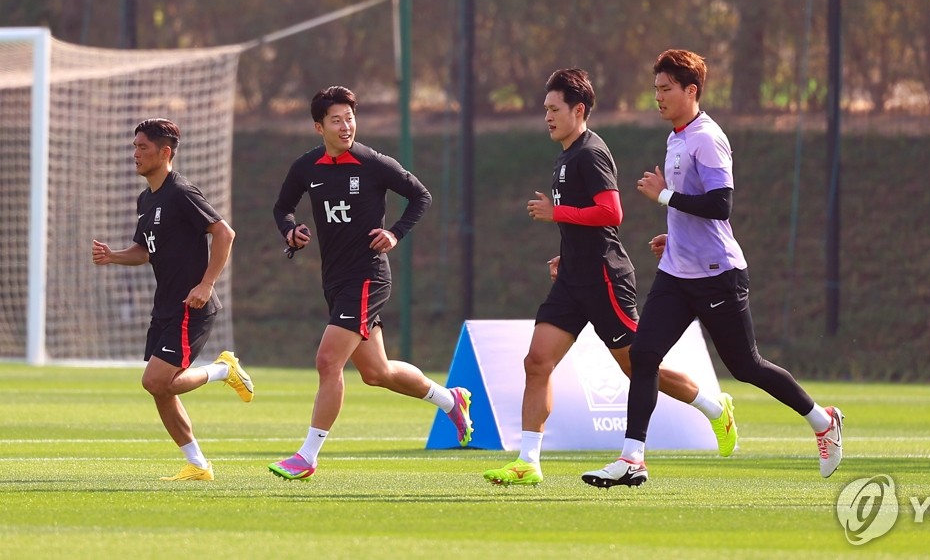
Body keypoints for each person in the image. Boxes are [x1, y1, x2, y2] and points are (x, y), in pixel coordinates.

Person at [582, 50, 844, 488]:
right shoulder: (676, 137)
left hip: (718, 274)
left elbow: (721, 205)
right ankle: (632, 459)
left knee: (746, 366)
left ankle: (822, 419)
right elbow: (694, 206)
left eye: (666, 89)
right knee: (644, 355)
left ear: (692, 91)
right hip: (676, 273)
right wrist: (675, 232)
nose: (658, 97)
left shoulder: (707, 137)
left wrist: (665, 199)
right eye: (656, 89)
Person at [483, 68, 738, 487]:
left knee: (636, 365)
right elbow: (585, 224)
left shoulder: (591, 153)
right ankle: (528, 461)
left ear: (578, 110)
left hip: (604, 277)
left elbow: (611, 213)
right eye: (544, 109)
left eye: (554, 109)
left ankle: (714, 407)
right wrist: (565, 255)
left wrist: (557, 213)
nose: (547, 117)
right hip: (573, 280)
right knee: (537, 362)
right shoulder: (565, 155)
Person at [268, 85, 472, 480]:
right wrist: (290, 231)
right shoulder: (306, 167)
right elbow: (282, 207)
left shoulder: (373, 163)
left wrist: (395, 233)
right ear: (318, 127)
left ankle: (308, 456)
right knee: (376, 372)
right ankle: (451, 400)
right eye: (336, 120)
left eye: (350, 118)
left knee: (328, 361)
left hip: (367, 277)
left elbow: (421, 196)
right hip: (335, 280)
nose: (346, 127)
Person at [91, 118, 250, 481]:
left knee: (155, 382)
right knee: (161, 391)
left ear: (165, 153)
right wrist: (114, 255)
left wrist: (207, 284)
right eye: (134, 146)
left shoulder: (182, 193)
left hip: (190, 306)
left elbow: (225, 233)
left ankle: (223, 370)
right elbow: (144, 251)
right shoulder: (146, 199)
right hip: (165, 307)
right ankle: (198, 465)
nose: (135, 154)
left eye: (142, 147)